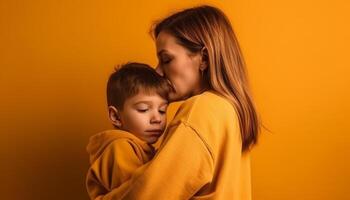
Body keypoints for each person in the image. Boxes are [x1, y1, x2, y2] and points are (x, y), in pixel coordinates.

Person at [102, 5, 260, 200]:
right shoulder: (228, 109)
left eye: (166, 60)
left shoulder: (202, 111)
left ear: (203, 58)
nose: (158, 71)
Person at [85, 63, 170, 200]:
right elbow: (139, 194)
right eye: (143, 109)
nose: (157, 119)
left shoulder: (143, 149)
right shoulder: (121, 147)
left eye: (162, 111)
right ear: (116, 116)